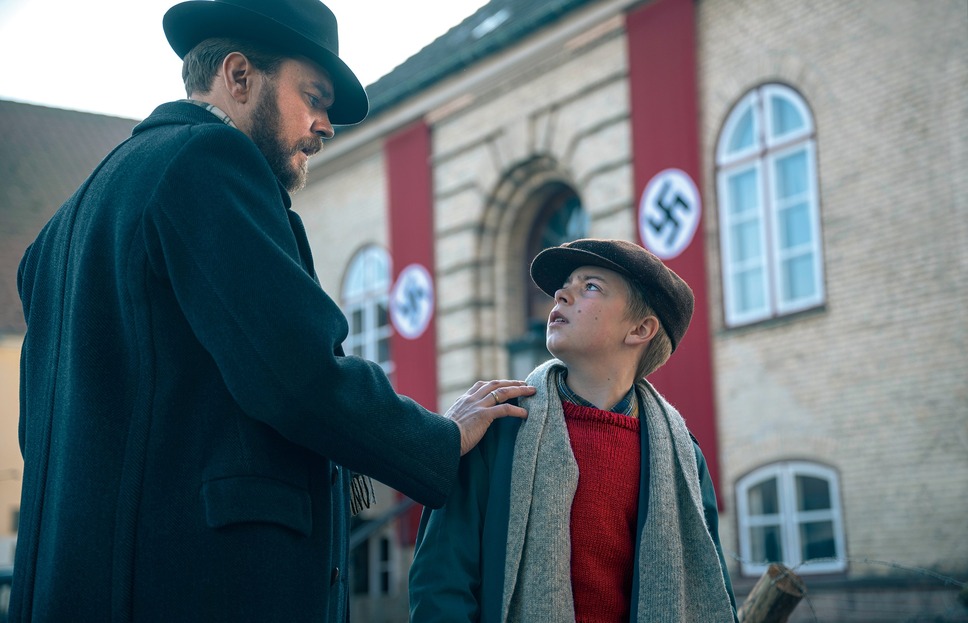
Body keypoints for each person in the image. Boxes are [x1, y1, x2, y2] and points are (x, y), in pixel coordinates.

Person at [12, 0, 535, 621]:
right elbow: (298, 374)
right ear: (239, 77)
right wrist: (440, 440)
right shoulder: (206, 160)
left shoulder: (62, 227)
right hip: (199, 589)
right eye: (314, 98)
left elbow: (42, 433)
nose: (325, 126)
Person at [409, 238, 738, 622]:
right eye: (565, 285)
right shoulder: (495, 426)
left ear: (640, 328)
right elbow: (441, 583)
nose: (561, 294)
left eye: (590, 286)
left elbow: (710, 585)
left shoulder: (683, 458)